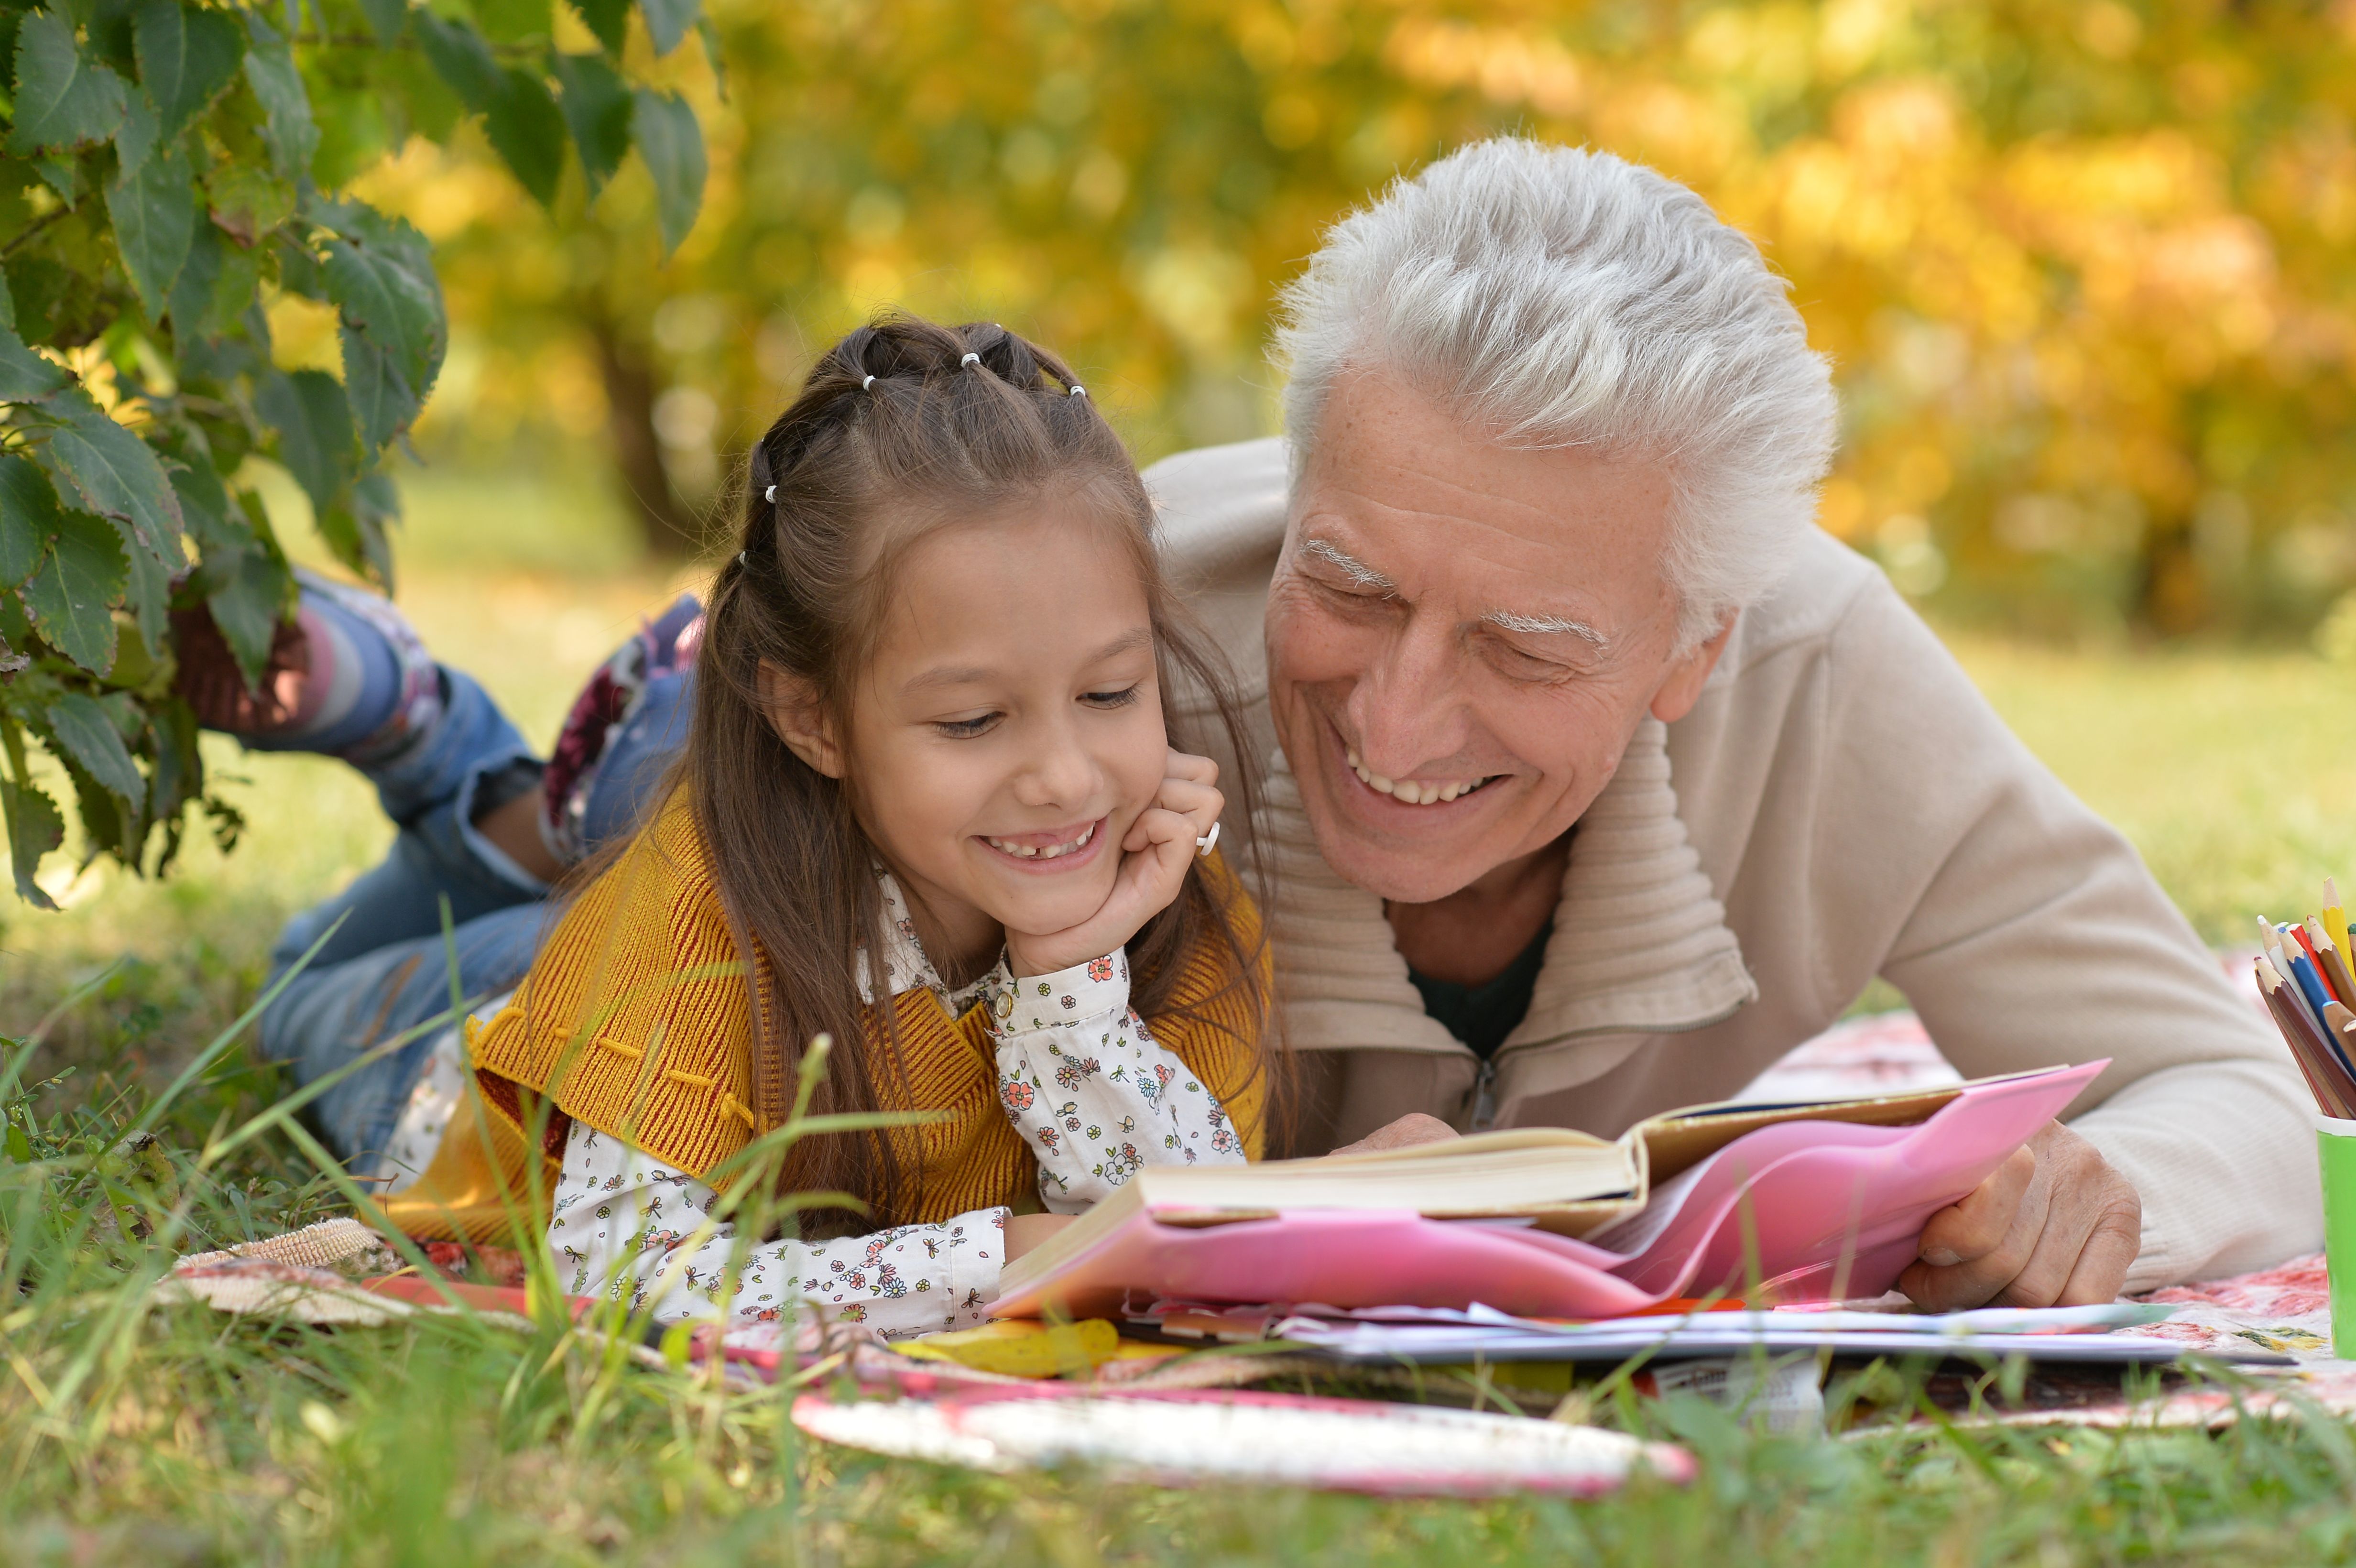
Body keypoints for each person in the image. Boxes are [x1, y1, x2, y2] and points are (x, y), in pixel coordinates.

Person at [195, 137, 2316, 1313]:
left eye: (1526, 645)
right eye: (1358, 583)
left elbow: (2224, 1081)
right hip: (789, 799)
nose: (1394, 712)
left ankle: (470, 778)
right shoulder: (1101, 662)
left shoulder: (1830, 680)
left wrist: (2101, 1191)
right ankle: (460, 772)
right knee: (412, 1020)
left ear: (1695, 641)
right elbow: (706, 1235)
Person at [209, 316, 1272, 1338]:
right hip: (482, 1053)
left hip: (674, 921)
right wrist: (999, 1258)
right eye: (973, 718)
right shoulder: (689, 918)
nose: (1063, 777)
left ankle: (502, 775)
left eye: (1110, 693)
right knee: (297, 986)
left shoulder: (1166, 892)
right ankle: (434, 743)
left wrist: (1072, 978)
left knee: (599, 860)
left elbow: (1190, 1244)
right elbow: (620, 1276)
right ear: (810, 719)